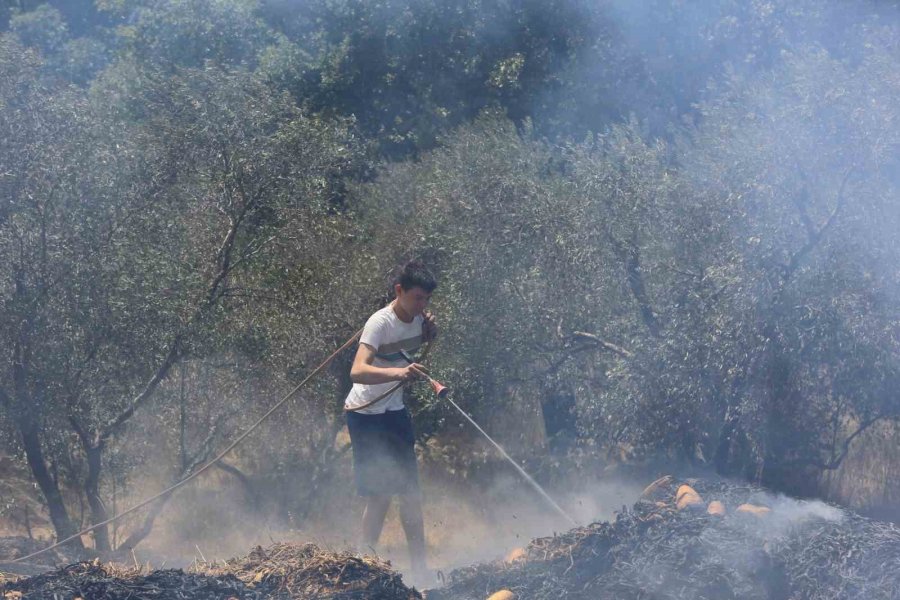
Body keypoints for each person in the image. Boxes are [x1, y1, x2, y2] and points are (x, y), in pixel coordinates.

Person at [344, 260, 437, 582]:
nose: (421, 305)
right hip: (365, 413)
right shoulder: (379, 323)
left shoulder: (420, 320)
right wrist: (399, 373)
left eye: (426, 299)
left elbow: (407, 352)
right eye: (416, 298)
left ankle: (421, 571)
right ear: (399, 291)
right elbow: (356, 371)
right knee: (380, 496)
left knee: (410, 493)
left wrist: (429, 336)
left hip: (393, 411)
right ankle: (360, 568)